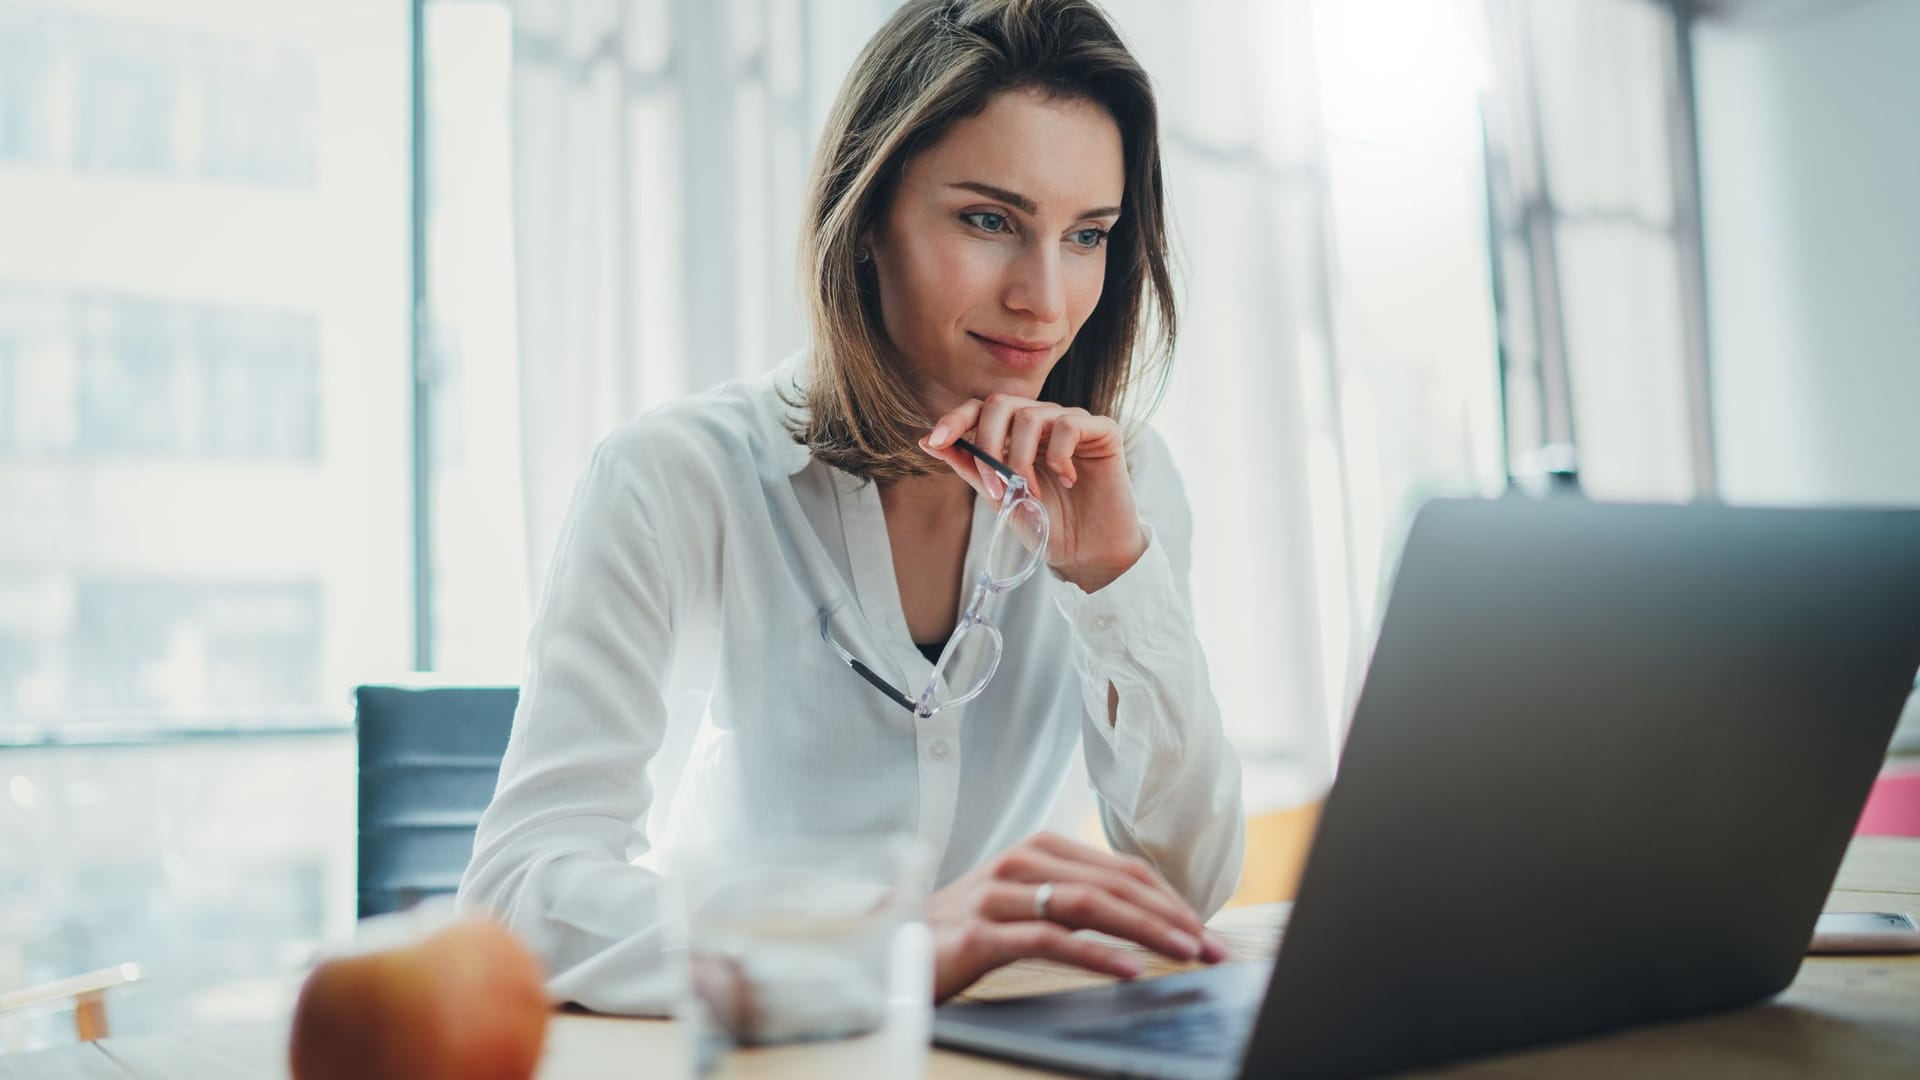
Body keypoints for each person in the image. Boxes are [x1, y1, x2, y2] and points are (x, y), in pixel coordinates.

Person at [459, 0, 1245, 1012]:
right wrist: (876, 949)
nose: (1045, 299)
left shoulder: (1119, 481)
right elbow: (520, 893)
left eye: (1087, 235)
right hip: (763, 1054)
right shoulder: (675, 477)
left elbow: (1184, 887)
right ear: (868, 215)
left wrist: (1114, 586)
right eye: (989, 220)